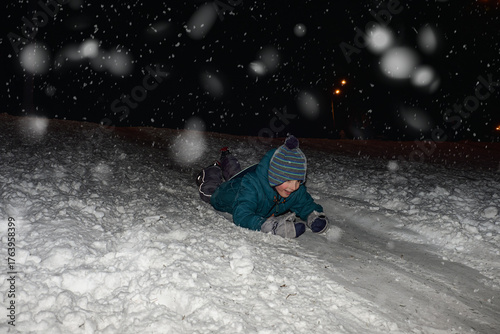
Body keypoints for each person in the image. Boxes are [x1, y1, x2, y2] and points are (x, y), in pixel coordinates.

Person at [196, 135, 329, 238]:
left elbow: (305, 204)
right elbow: (242, 215)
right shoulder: (252, 186)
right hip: (228, 194)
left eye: (298, 181)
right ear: (275, 176)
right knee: (211, 191)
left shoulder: (293, 189)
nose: (294, 186)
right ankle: (212, 170)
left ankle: (227, 156)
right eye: (288, 180)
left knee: (236, 174)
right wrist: (269, 226)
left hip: (246, 179)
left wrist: (314, 216)